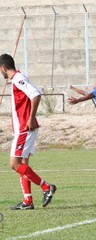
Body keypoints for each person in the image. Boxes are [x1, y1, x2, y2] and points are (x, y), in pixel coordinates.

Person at [0, 54, 56, 210]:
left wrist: (31, 118)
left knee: (14, 163)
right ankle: (27, 201)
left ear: (3, 68)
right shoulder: (16, 79)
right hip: (23, 128)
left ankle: (46, 187)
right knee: (23, 164)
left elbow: (36, 94)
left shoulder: (18, 78)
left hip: (25, 128)